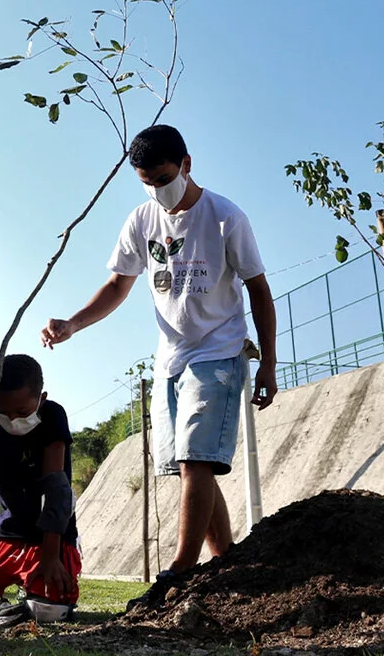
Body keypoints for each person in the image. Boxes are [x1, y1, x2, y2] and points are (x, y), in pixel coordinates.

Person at [41, 124, 278, 593]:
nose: (157, 189)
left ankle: (179, 572)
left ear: (187, 165)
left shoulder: (226, 218)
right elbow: (117, 286)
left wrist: (268, 361)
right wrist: (73, 323)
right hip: (169, 361)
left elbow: (259, 290)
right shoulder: (141, 221)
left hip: (219, 351)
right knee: (194, 466)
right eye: (146, 181)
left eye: (164, 177)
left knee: (196, 462)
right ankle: (226, 563)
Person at [0, 354, 78, 624]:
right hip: (8, 531)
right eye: (4, 411)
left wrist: (51, 555)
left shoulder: (53, 416)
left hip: (50, 535)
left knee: (48, 608)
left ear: (40, 399)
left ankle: (42, 585)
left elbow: (56, 488)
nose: (12, 419)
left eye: (22, 412)